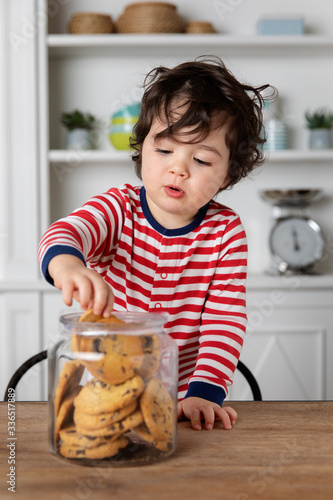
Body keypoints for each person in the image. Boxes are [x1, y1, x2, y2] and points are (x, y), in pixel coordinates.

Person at [38, 56, 273, 432]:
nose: (178, 168)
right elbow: (66, 233)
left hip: (178, 401)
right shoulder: (118, 207)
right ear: (143, 148)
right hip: (105, 385)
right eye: (164, 151)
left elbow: (223, 319)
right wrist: (68, 265)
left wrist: (206, 391)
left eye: (200, 159)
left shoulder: (225, 231)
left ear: (228, 175)